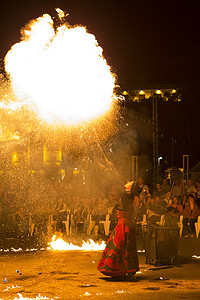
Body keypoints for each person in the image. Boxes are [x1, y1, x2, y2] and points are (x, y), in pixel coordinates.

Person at [97, 181, 140, 280]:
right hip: (126, 223)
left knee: (118, 246)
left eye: (130, 183)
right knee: (126, 247)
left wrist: (110, 171)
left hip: (124, 224)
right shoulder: (128, 195)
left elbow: (115, 183)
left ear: (130, 188)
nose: (128, 182)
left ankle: (117, 270)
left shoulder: (126, 194)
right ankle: (127, 270)